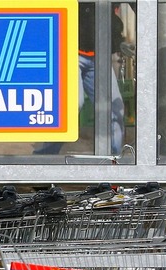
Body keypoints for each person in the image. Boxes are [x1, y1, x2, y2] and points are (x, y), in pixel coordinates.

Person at [34, 2, 127, 155]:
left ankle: (112, 162)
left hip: (99, 52)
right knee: (73, 104)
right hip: (70, 49)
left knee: (114, 110)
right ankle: (44, 157)